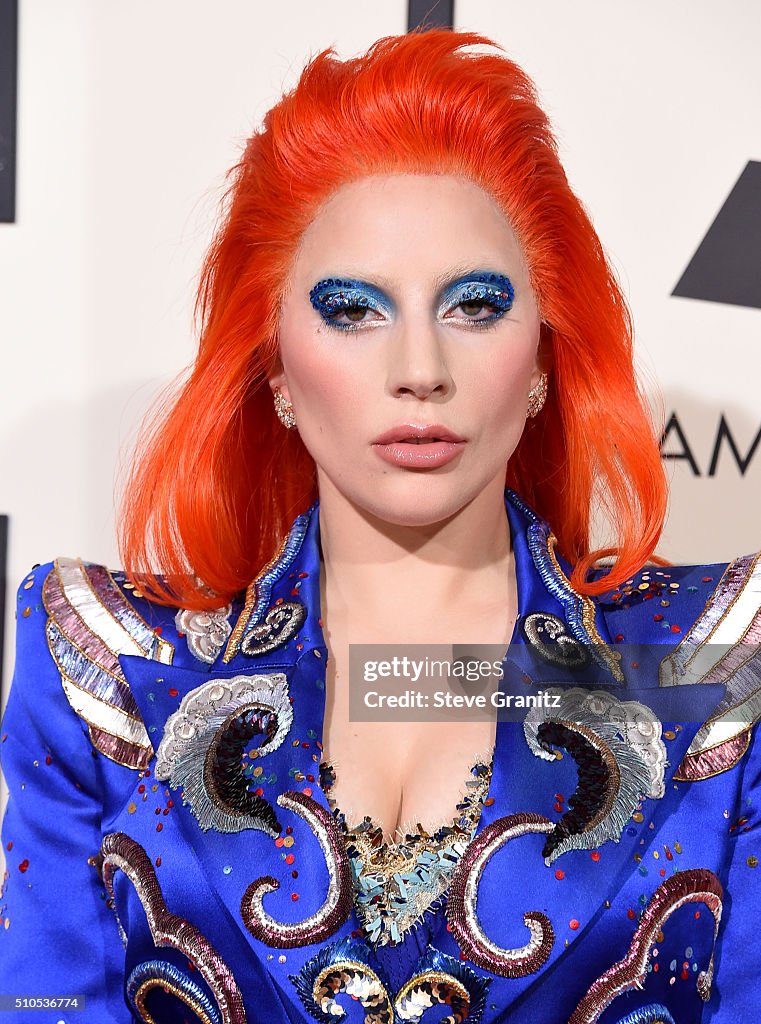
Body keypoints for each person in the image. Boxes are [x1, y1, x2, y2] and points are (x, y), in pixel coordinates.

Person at [0, 28, 758, 1024]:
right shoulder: (106, 665)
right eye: (352, 309)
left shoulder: (712, 664)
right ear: (272, 364)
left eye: (475, 306)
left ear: (540, 359)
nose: (418, 366)